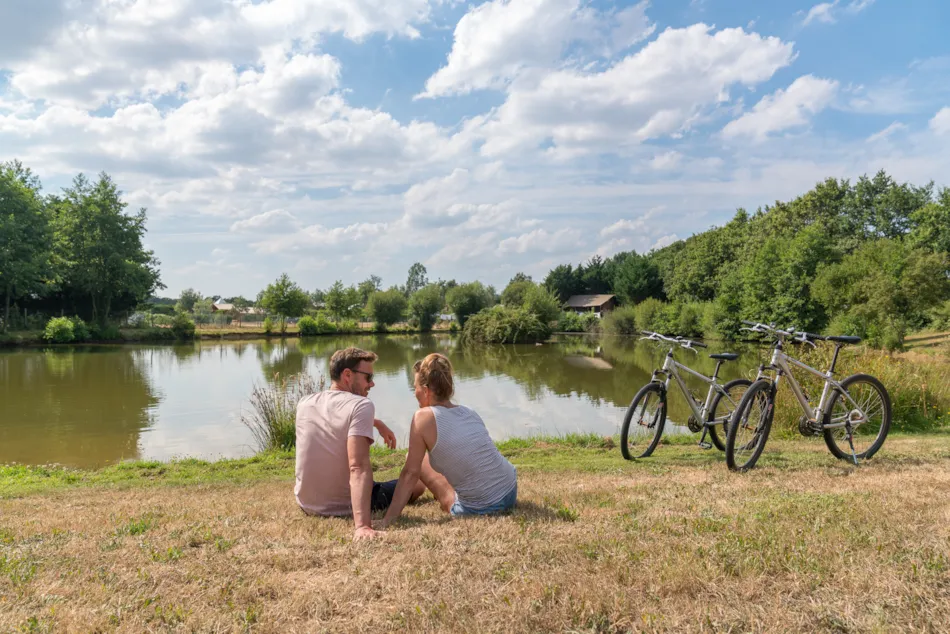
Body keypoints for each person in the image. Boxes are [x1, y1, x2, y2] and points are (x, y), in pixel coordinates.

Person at [295, 347, 425, 540]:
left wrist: (376, 422)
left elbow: (335, 418)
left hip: (307, 504)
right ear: (347, 375)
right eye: (368, 377)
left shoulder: (305, 403)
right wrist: (362, 526)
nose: (372, 383)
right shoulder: (361, 405)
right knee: (418, 484)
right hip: (343, 505)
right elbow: (358, 467)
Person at [379, 353, 517, 528]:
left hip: (483, 507)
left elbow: (410, 473)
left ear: (426, 390)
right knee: (425, 459)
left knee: (415, 463)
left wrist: (388, 520)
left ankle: (449, 496)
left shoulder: (422, 418)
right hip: (510, 489)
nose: (415, 393)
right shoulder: (468, 411)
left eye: (415, 387)